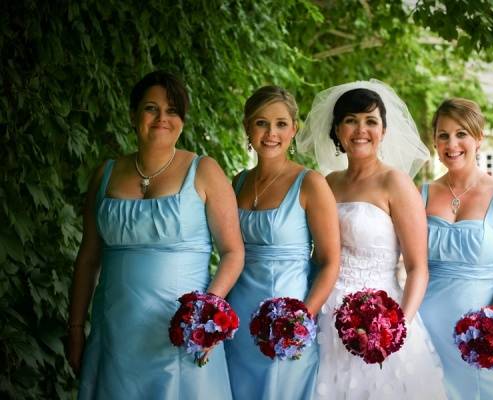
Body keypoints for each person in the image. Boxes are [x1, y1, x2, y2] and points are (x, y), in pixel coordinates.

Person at [66, 71, 244, 400]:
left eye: (173, 110)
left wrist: (206, 315)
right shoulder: (104, 174)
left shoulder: (204, 171)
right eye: (151, 108)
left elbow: (233, 252)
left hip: (181, 335)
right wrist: (76, 327)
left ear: (183, 121)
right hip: (115, 335)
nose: (162, 118)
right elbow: (88, 257)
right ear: (133, 115)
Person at [297, 80, 447, 399]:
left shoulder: (396, 183)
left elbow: (419, 268)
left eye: (370, 121)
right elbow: (318, 256)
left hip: (380, 320)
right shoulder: (328, 183)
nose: (360, 129)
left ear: (384, 130)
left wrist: (396, 328)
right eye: (350, 120)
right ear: (337, 129)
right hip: (325, 317)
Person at [224, 86, 340, 400]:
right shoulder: (238, 181)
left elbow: (330, 260)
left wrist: (302, 317)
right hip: (238, 316)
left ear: (293, 129)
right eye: (261, 123)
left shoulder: (310, 183)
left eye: (280, 124)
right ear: (248, 127)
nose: (271, 133)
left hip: (286, 317)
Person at [419, 98, 493, 399]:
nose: (451, 143)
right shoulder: (421, 195)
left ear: (479, 138)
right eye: (443, 135)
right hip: (428, 328)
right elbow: (413, 265)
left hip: (480, 334)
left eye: (461, 133)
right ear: (435, 141)